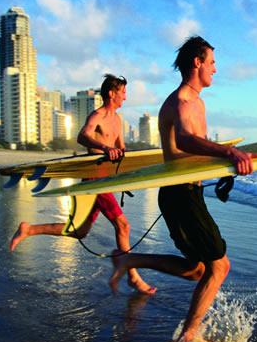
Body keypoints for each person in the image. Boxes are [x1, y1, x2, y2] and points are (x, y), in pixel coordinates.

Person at [109, 36, 257, 342]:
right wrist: (230, 152)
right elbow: (187, 141)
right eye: (213, 63)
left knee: (197, 270)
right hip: (180, 195)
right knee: (220, 266)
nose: (216, 70)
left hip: (187, 193)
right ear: (197, 62)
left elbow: (195, 152)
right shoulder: (182, 102)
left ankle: (129, 260)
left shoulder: (197, 101)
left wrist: (229, 160)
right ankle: (189, 336)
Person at [9, 74, 156, 296]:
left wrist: (131, 170)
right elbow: (83, 136)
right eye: (123, 92)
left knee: (79, 231)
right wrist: (105, 149)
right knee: (123, 226)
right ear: (111, 93)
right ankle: (134, 277)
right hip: (94, 178)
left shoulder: (117, 120)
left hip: (106, 179)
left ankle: (29, 229)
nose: (126, 96)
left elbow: (121, 150)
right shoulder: (97, 115)